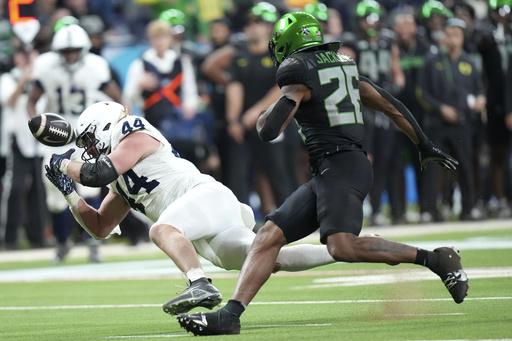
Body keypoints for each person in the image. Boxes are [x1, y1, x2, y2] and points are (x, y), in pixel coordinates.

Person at [177, 12, 466, 336]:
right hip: (333, 169)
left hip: (341, 167)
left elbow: (270, 130)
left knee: (341, 247)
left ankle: (436, 259)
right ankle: (230, 316)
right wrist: (423, 144)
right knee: (268, 237)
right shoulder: (342, 65)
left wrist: (262, 116)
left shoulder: (296, 71)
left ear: (289, 43)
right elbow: (390, 105)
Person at [44, 101, 336, 316]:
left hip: (204, 196)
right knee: (268, 258)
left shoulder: (131, 129)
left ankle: (199, 283)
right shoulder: (119, 180)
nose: (90, 151)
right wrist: (70, 195)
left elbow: (98, 173)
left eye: (90, 142)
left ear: (106, 126)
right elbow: (100, 227)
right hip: (197, 223)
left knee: (161, 229)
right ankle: (340, 250)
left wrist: (63, 163)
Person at [27, 23, 122, 263]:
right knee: (55, 191)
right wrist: (36, 126)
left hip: (85, 135)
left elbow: (117, 97)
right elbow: (33, 99)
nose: (70, 55)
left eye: (74, 50)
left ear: (84, 48)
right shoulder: (46, 65)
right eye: (66, 50)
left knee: (90, 185)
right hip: (54, 136)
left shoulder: (95, 66)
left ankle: (92, 240)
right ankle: (62, 242)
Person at [416, 18, 485, 221]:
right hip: (436, 123)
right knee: (432, 167)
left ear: (463, 38)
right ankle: (428, 211)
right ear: (443, 37)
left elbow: (479, 90)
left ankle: (468, 208)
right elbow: (422, 93)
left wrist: (481, 100)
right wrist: (441, 109)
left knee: (465, 165)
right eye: (450, 34)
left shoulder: (469, 62)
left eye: (457, 34)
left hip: (462, 122)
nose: (453, 38)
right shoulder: (432, 61)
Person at [0, 44, 46, 250]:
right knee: (15, 189)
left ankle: (38, 236)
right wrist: (22, 82)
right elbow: (8, 102)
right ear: (16, 58)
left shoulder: (43, 78)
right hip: (16, 140)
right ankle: (10, 237)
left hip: (39, 141)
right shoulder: (8, 79)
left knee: (40, 189)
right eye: (22, 55)